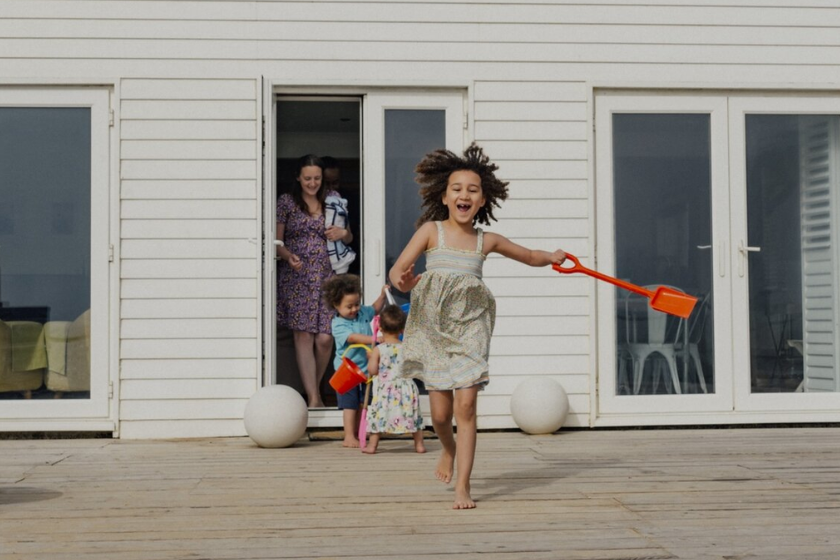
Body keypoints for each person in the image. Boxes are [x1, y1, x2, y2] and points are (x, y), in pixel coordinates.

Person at [389, 143, 567, 510]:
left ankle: (463, 487)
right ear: (444, 195)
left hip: (471, 323)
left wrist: (551, 257)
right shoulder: (430, 231)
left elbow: (529, 256)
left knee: (465, 406)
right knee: (440, 415)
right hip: (432, 326)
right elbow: (398, 272)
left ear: (483, 200)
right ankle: (448, 450)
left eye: (472, 190)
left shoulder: (487, 240)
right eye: (457, 189)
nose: (464, 195)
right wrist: (404, 282)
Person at [276, 155, 353, 408]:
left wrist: (343, 233)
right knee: (304, 337)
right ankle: (313, 397)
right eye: (307, 178)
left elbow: (349, 236)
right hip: (297, 278)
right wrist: (288, 257)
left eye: (317, 178)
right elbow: (278, 244)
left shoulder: (333, 199)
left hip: (328, 277)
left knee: (325, 339)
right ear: (298, 177)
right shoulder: (287, 202)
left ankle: (316, 387)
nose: (312, 183)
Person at [322, 274, 387, 447]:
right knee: (349, 403)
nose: (354, 309)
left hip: (366, 368)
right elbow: (352, 338)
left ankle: (359, 432)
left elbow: (375, 308)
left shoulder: (362, 312)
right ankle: (349, 436)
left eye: (356, 304)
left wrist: (382, 296)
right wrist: (373, 340)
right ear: (336, 305)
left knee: (362, 401)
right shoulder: (338, 323)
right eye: (349, 306)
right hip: (347, 369)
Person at [362, 304, 426, 455]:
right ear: (402, 330)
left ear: (380, 329)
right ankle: (419, 445)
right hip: (407, 387)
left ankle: (372, 446)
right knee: (412, 416)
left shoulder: (379, 349)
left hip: (386, 390)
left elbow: (372, 371)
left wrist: (371, 358)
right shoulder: (407, 348)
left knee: (379, 416)